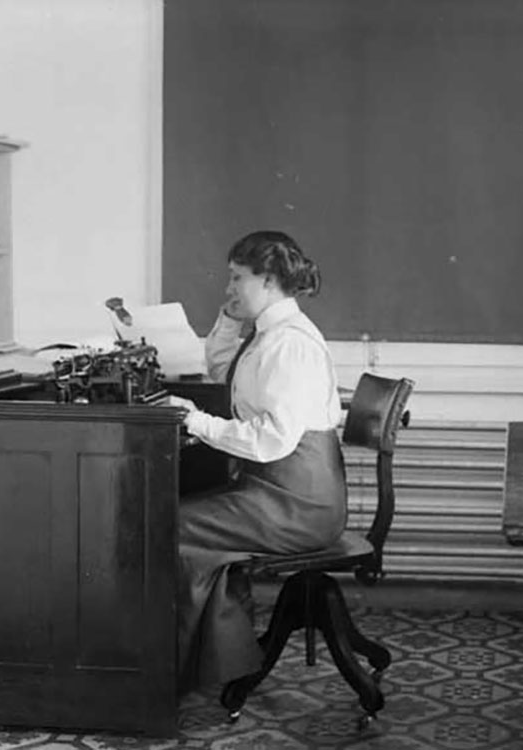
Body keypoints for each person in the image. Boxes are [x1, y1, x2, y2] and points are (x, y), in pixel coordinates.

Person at [167, 230, 346, 693]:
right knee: (185, 519)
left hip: (299, 503)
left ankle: (183, 675)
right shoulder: (270, 335)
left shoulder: (289, 344)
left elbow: (272, 440)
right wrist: (229, 317)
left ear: (268, 281)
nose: (227, 288)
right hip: (278, 492)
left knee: (169, 525)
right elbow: (226, 372)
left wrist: (198, 423)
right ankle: (224, 664)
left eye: (236, 279)